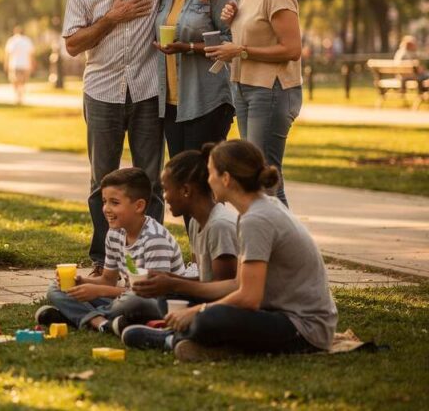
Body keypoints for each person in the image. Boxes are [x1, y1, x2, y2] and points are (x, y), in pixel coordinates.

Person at [62, 0, 219, 275]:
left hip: (148, 92)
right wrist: (111, 18)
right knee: (102, 180)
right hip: (102, 93)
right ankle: (105, 260)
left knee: (150, 180)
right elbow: (72, 45)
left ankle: (151, 257)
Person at [122, 140, 338, 362]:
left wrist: (197, 311)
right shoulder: (255, 211)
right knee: (182, 301)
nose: (207, 181)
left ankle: (171, 339)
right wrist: (174, 283)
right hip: (276, 314)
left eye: (210, 173)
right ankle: (199, 343)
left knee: (209, 318)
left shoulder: (256, 219)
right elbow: (237, 284)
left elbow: (249, 298)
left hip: (304, 328)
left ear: (225, 179)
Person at [151, 0, 237, 230]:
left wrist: (188, 47)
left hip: (207, 101)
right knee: (182, 187)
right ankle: (197, 252)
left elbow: (231, 42)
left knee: (204, 186)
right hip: (172, 104)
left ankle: (216, 250)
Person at [208, 0, 302, 205]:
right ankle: (263, 231)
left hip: (270, 91)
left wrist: (241, 50)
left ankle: (281, 233)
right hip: (243, 87)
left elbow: (292, 49)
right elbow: (256, 33)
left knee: (264, 177)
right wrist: (233, 20)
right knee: (253, 175)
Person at [34, 168, 187, 333]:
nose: (106, 208)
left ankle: (76, 317)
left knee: (133, 301)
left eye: (114, 202)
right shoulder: (115, 233)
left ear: (139, 206)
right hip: (124, 298)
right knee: (56, 288)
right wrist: (82, 282)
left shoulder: (155, 238)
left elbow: (153, 293)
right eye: (104, 201)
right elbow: (108, 280)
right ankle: (101, 322)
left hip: (159, 303)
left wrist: (98, 291)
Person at [122, 149, 239, 330]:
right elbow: (206, 280)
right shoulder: (195, 222)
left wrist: (173, 285)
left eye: (165, 189)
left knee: (137, 303)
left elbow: (222, 290)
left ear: (185, 190)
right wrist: (167, 278)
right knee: (148, 300)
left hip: (220, 308)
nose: (164, 196)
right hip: (205, 301)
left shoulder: (220, 226)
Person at [4, 26, 35, 105]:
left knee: (15, 81)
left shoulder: (12, 40)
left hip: (15, 64)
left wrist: (6, 64)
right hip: (25, 64)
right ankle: (20, 96)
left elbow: (7, 54)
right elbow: (31, 54)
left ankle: (17, 96)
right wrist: (32, 65)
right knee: (22, 82)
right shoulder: (27, 40)